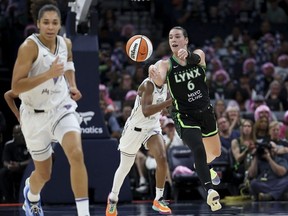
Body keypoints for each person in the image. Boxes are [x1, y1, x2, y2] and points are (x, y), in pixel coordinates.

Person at [10, 1, 90, 215]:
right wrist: (48, 75)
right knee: (44, 175)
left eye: (54, 22)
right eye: (46, 22)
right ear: (38, 24)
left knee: (76, 154)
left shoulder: (65, 43)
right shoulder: (29, 47)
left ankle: (84, 213)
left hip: (61, 108)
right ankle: (32, 196)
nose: (50, 27)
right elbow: (16, 87)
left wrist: (72, 84)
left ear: (60, 24)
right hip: (34, 117)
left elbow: (69, 63)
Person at [148, 26, 222, 211]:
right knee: (197, 148)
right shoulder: (165, 64)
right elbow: (159, 81)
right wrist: (155, 77)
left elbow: (197, 59)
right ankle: (210, 192)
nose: (173, 39)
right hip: (184, 116)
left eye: (178, 36)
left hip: (205, 112)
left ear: (186, 40)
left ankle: (205, 167)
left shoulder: (198, 54)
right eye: (171, 36)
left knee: (214, 153)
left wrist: (187, 56)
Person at [105, 76, 172, 215]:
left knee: (162, 158)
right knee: (125, 167)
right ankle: (113, 198)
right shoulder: (147, 84)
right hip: (134, 129)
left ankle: (158, 199)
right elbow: (146, 111)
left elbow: (165, 109)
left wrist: (170, 107)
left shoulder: (166, 85)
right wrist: (169, 102)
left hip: (152, 128)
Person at [0, 124, 31, 202]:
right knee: (3, 173)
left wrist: (20, 165)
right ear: (13, 135)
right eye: (17, 133)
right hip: (13, 169)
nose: (20, 135)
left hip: (25, 169)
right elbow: (5, 161)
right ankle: (8, 199)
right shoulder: (9, 145)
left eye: (21, 132)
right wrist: (9, 166)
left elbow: (32, 160)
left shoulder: (30, 143)